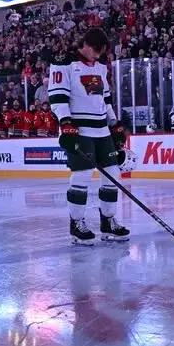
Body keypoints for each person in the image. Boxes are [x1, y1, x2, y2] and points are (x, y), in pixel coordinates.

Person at [49, 27, 130, 245]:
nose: (97, 55)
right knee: (82, 175)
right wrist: (65, 123)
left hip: (102, 129)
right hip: (79, 129)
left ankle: (108, 221)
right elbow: (57, 98)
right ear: (84, 44)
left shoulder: (100, 66)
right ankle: (76, 224)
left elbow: (105, 99)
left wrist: (114, 123)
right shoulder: (64, 63)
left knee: (112, 174)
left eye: (101, 51)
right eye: (95, 50)